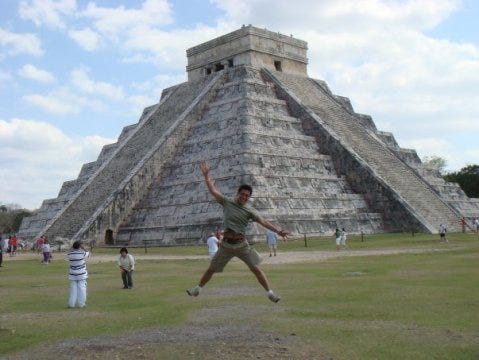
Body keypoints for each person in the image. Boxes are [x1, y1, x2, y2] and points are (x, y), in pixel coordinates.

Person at [187, 161, 289, 303]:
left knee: (256, 269)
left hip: (242, 245)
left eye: (247, 195)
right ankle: (198, 289)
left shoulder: (250, 210)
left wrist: (278, 231)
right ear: (238, 193)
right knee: (211, 269)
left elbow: (263, 222)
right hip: (226, 246)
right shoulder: (227, 202)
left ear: (249, 197)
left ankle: (270, 293)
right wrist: (206, 177)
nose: (244, 197)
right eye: (242, 194)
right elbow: (213, 191)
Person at [67, 241, 90, 308]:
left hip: (72, 274)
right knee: (82, 289)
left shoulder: (70, 254)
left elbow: (69, 251)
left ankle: (71, 304)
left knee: (73, 290)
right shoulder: (82, 253)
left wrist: (73, 247)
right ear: (80, 246)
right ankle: (81, 304)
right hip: (81, 274)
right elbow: (88, 254)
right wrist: (84, 248)